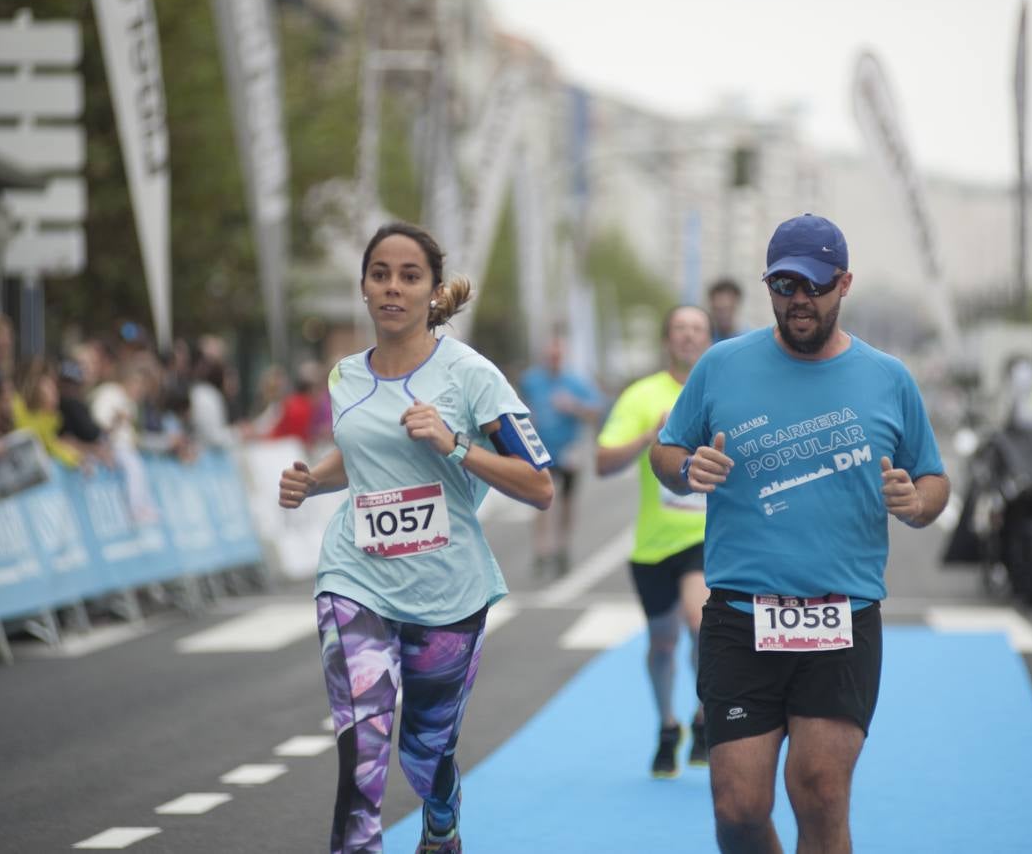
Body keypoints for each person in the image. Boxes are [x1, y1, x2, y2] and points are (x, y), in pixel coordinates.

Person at [650, 213, 950, 853]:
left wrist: (915, 502)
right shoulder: (722, 366)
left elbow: (934, 482)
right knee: (737, 805)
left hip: (840, 615)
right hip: (740, 615)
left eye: (813, 286)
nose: (798, 301)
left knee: (818, 792)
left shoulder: (888, 379)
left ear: (844, 284)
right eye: (784, 286)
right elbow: (666, 452)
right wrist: (685, 466)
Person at [277, 221, 554, 854]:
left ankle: (442, 810)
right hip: (355, 577)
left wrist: (454, 444)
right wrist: (311, 483)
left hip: (447, 591)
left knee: (425, 753)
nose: (393, 288)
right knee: (362, 752)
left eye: (409, 276)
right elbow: (363, 457)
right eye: (381, 275)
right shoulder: (345, 376)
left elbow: (539, 486)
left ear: (432, 292)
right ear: (365, 288)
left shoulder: (471, 375)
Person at [595, 304, 713, 779]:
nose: (688, 337)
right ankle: (668, 725)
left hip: (706, 538)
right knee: (663, 642)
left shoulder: (721, 392)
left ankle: (704, 714)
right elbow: (603, 462)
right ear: (668, 340)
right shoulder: (642, 395)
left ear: (709, 339)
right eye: (679, 329)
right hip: (653, 545)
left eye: (697, 329)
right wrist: (653, 435)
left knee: (701, 619)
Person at [518, 332, 605, 575]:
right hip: (539, 449)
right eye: (550, 356)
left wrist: (573, 406)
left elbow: (597, 410)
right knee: (540, 500)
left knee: (566, 500)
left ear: (563, 356)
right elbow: (518, 404)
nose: (553, 360)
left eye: (557, 356)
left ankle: (562, 546)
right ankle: (541, 549)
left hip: (568, 449)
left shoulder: (576, 381)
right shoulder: (531, 379)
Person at [707, 277, 744, 343]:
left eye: (727, 309)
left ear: (736, 305)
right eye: (718, 309)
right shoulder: (705, 339)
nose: (722, 315)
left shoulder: (746, 339)